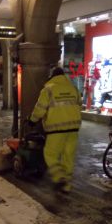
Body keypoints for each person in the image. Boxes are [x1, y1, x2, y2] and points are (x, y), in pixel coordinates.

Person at [28, 66, 82, 194]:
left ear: (53, 76)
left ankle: (59, 177)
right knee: (68, 156)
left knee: (50, 154)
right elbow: (79, 104)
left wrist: (32, 120)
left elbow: (40, 108)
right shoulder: (73, 88)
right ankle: (66, 185)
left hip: (56, 129)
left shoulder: (49, 89)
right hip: (73, 128)